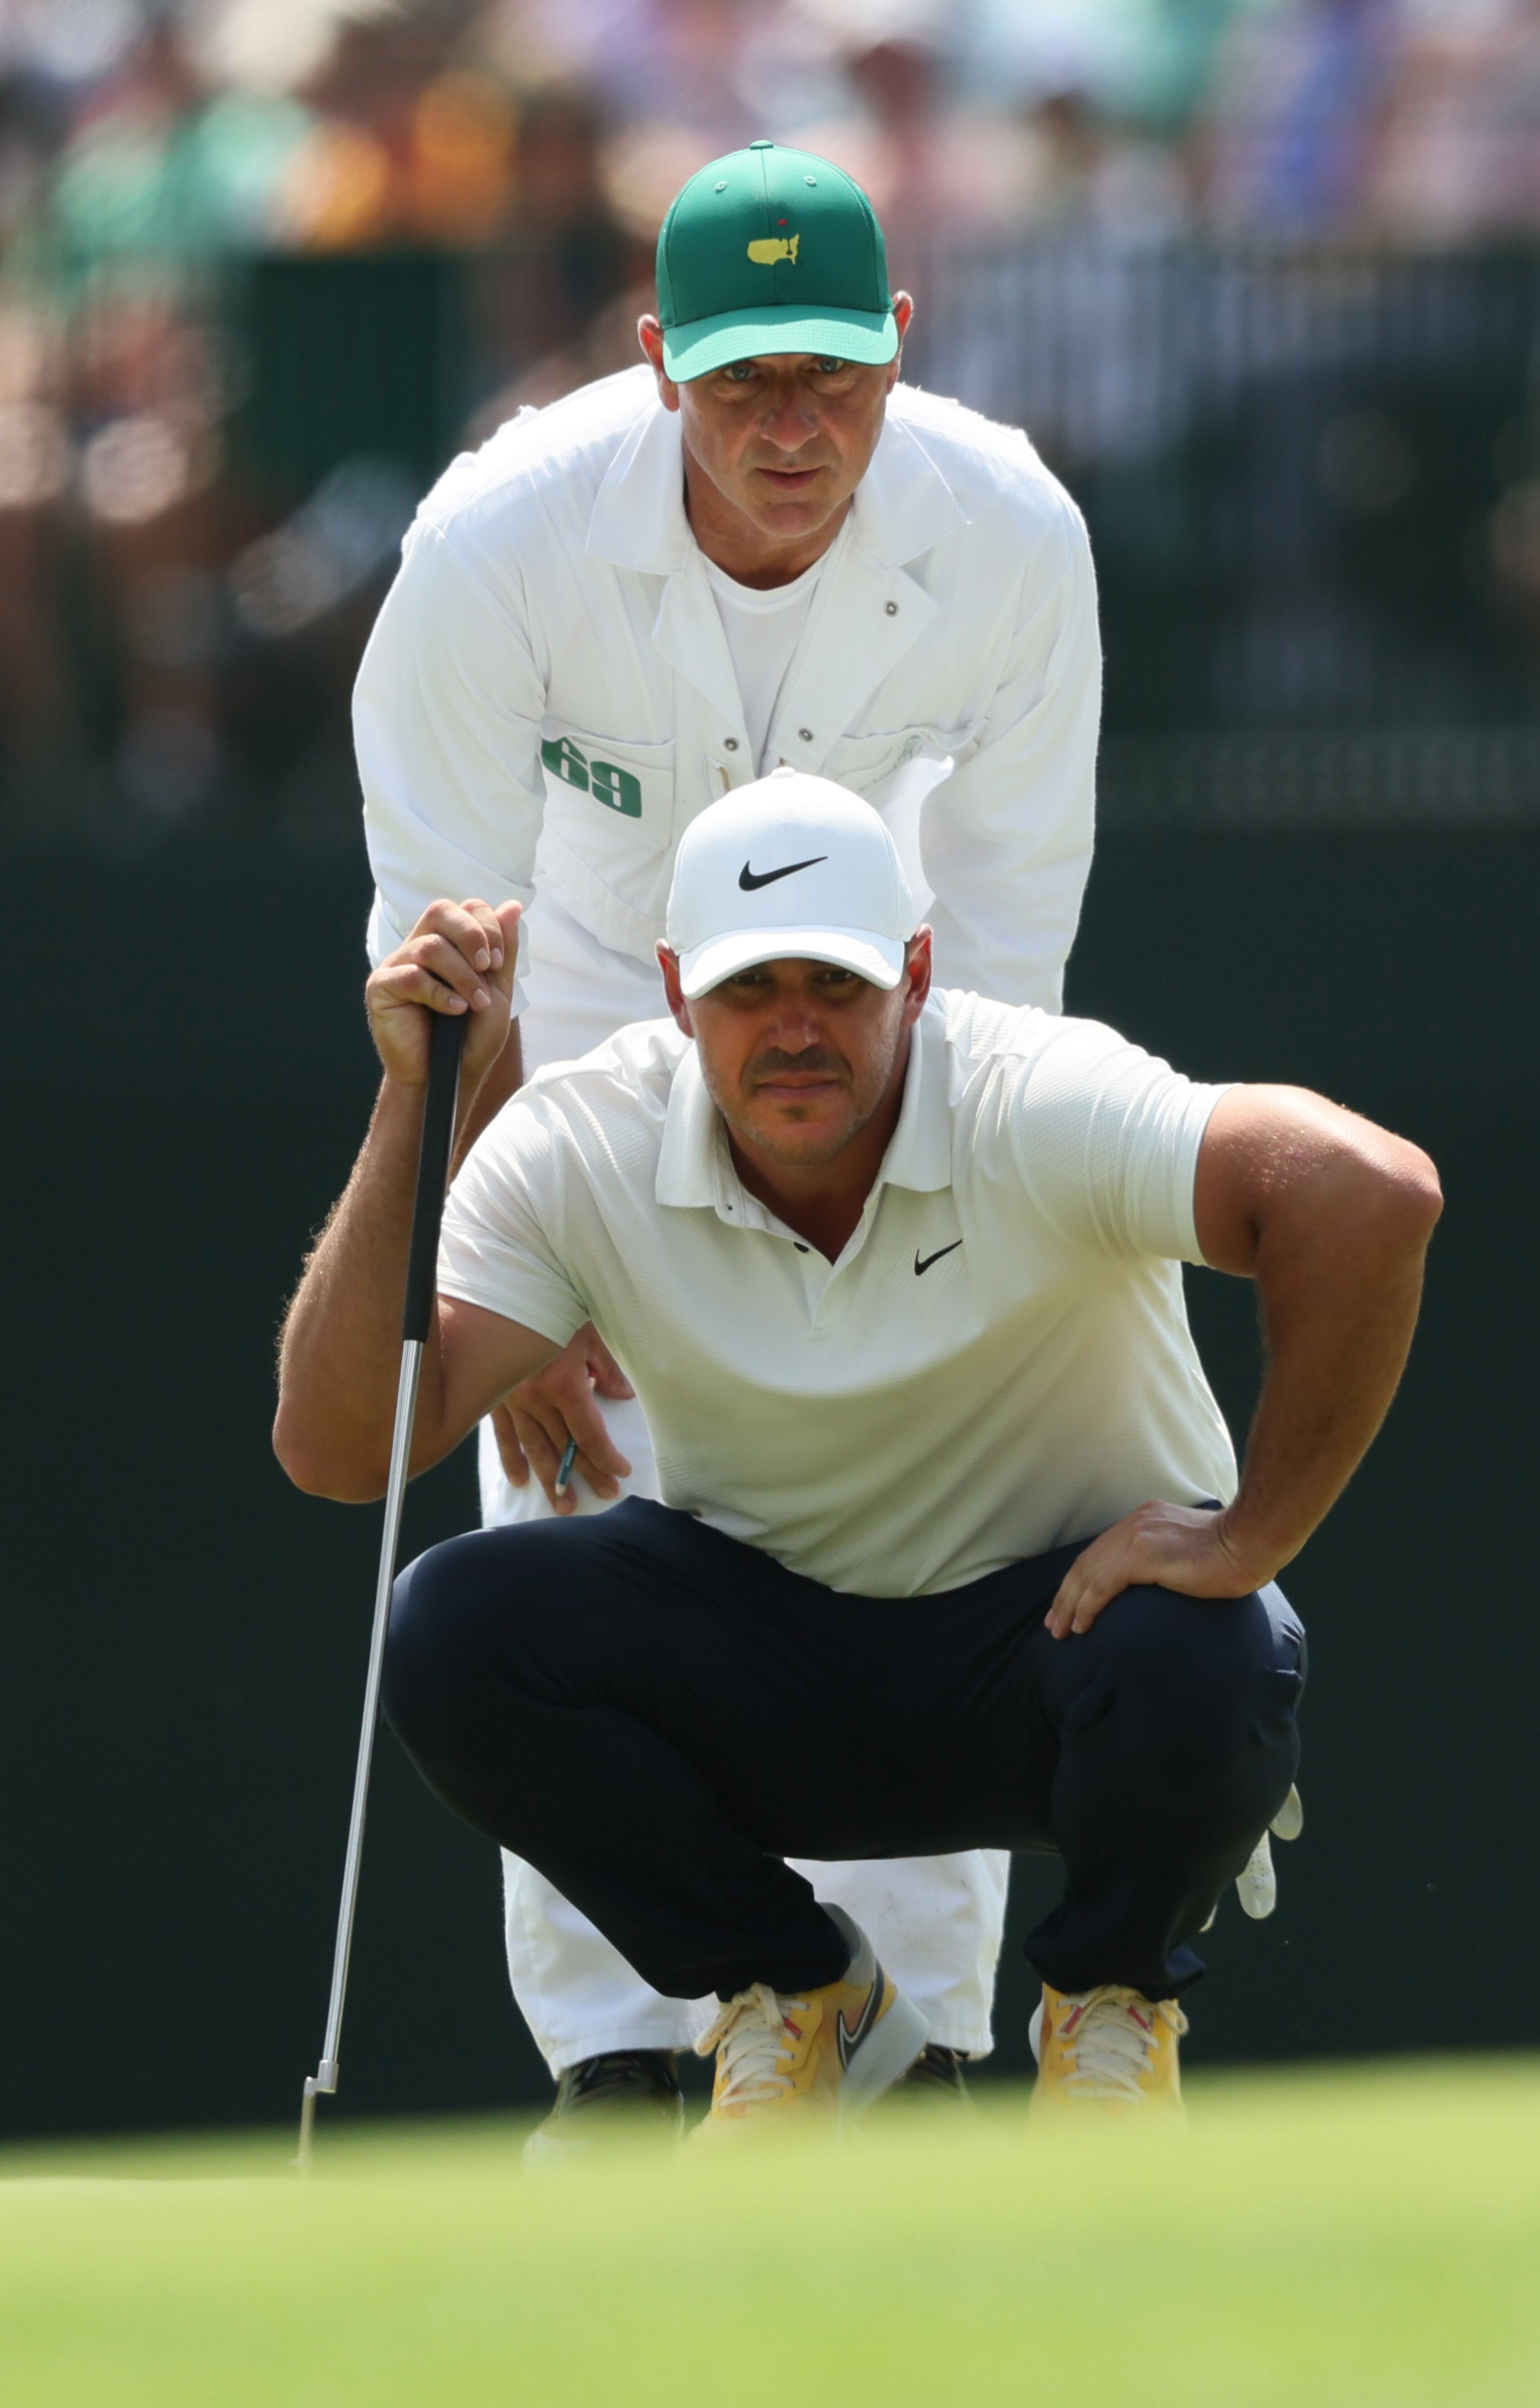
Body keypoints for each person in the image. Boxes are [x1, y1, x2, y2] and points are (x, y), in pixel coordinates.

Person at [275, 773, 1442, 2130]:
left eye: (835, 984)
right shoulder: (583, 1137)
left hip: (1065, 1667)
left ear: (917, 976)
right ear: (672, 993)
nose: (792, 1030)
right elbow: (340, 1446)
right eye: (747, 986)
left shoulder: (1029, 1093)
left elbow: (1369, 1195)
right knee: (455, 1627)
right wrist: (417, 1103)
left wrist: (1252, 1536)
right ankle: (799, 1992)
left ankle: (1111, 2009)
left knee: (1211, 1642)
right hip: (771, 1666)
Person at [350, 138, 1103, 2144]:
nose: (793, 428)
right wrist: (518, 1250)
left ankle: (928, 2038)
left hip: (894, 1008)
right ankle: (618, 2052)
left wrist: (958, 1229)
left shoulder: (1013, 531)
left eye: (833, 378)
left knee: (922, 1481)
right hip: (588, 1004)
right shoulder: (497, 538)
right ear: (658, 355)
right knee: (581, 1496)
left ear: (901, 351)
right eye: (746, 379)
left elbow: (1015, 937)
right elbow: (443, 937)